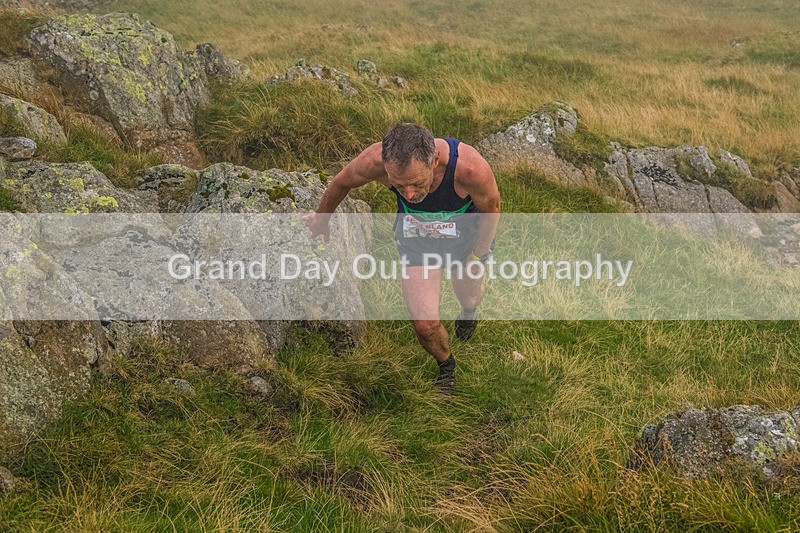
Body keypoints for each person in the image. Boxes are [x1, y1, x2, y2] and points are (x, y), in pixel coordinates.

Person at [303, 123, 500, 390]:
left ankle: (469, 310)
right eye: (399, 185)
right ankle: (446, 365)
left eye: (418, 184)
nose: (409, 194)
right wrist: (322, 219)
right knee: (424, 325)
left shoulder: (470, 170)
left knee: (468, 293)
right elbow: (342, 182)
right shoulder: (376, 161)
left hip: (464, 238)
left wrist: (479, 255)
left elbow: (492, 209)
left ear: (435, 160)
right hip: (417, 240)